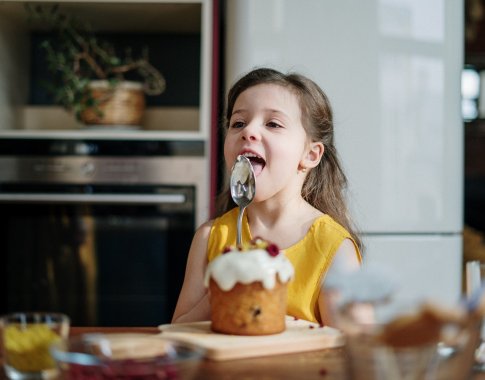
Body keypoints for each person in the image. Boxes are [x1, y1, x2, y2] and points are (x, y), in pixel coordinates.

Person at [172, 67, 362, 326]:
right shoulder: (210, 238)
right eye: (238, 123)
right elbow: (177, 333)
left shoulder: (333, 247)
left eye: (273, 124)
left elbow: (354, 347)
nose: (248, 131)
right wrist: (225, 289)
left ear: (310, 155)